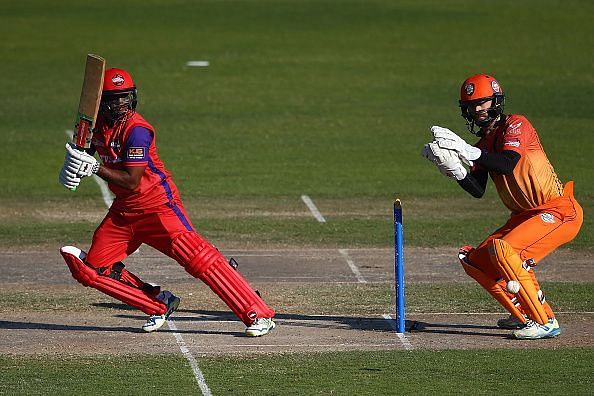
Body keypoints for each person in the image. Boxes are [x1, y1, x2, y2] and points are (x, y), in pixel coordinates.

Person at [58, 67, 276, 336]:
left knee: (199, 259)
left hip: (158, 206)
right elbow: (85, 150)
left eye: (124, 97)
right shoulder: (100, 126)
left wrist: (93, 168)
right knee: (91, 270)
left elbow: (131, 180)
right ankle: (157, 303)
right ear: (100, 102)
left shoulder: (137, 130)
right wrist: (73, 163)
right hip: (125, 212)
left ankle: (258, 314)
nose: (120, 104)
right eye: (113, 98)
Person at [422, 73, 583, 339]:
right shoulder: (483, 145)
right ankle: (522, 314)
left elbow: (507, 162)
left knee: (505, 250)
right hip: (523, 216)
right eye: (471, 106)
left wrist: (467, 151)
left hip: (558, 210)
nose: (477, 110)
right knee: (477, 261)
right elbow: (477, 189)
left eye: (482, 103)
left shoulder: (517, 125)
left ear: (495, 101)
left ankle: (545, 321)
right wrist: (452, 168)